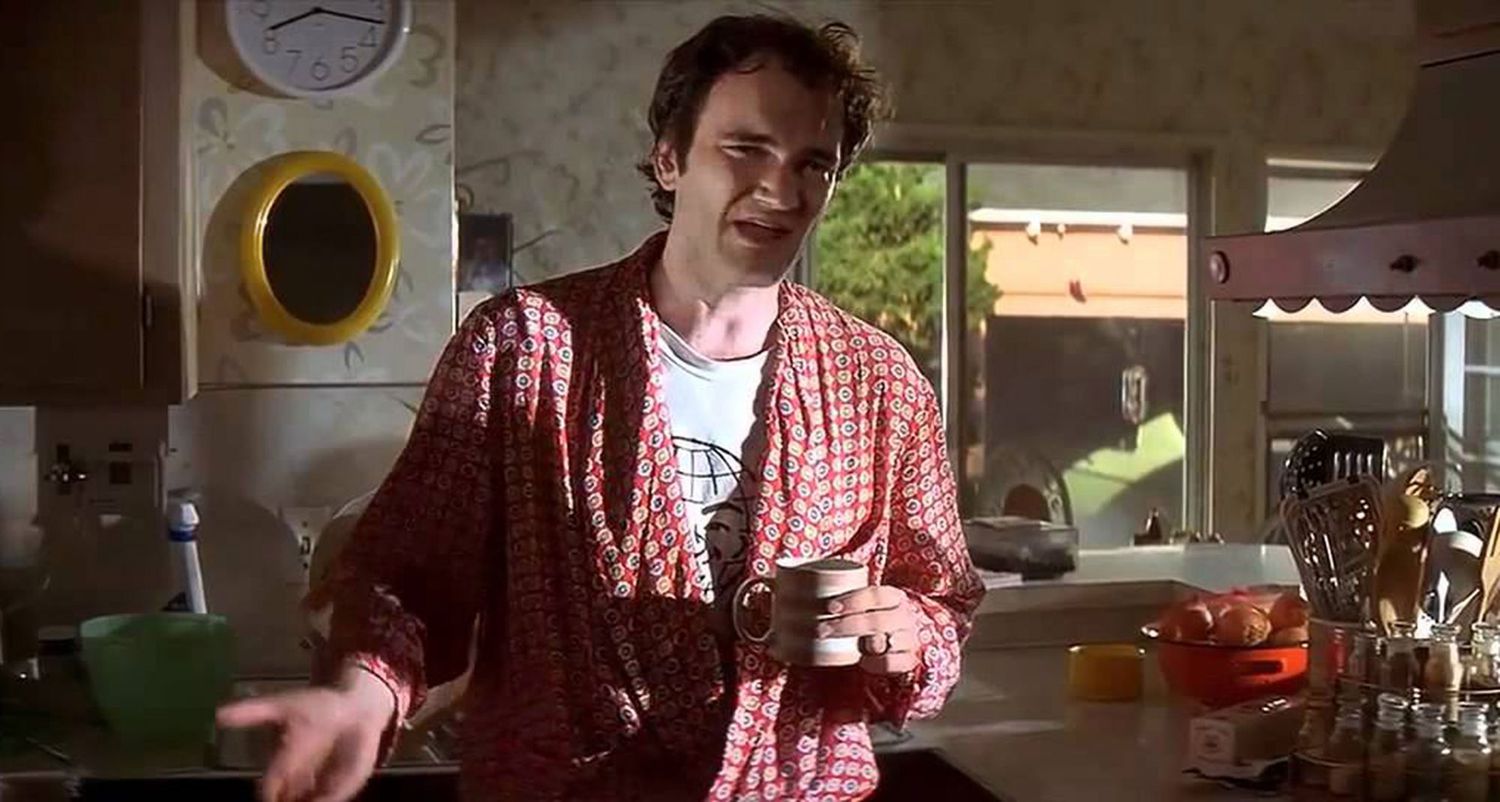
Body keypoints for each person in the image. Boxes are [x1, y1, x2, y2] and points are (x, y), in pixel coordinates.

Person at [217, 13, 983, 802]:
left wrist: (903, 635)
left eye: (811, 163)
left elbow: (944, 603)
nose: (779, 190)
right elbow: (404, 578)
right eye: (746, 148)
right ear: (670, 158)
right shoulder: (523, 350)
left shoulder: (878, 382)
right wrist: (361, 695)